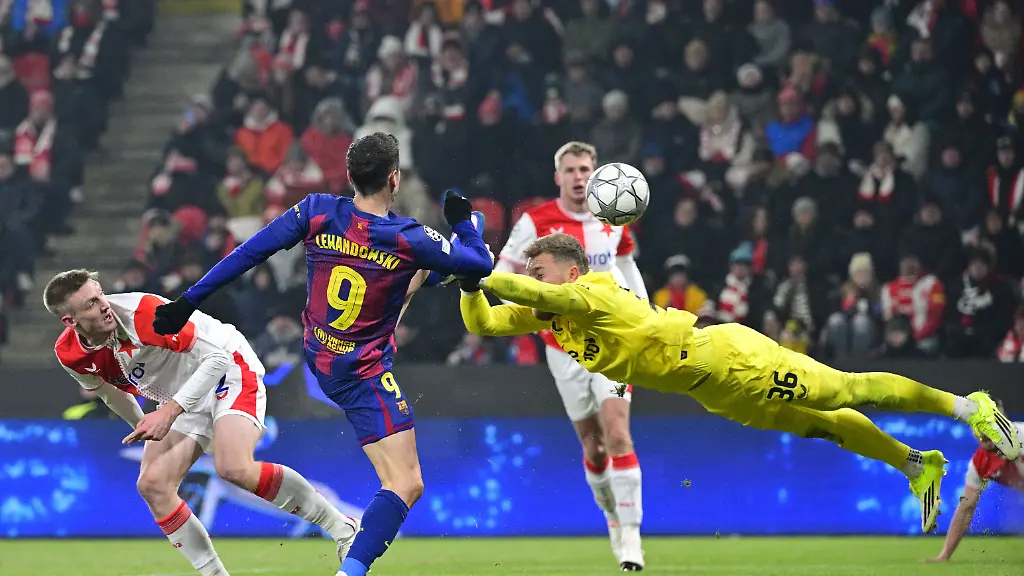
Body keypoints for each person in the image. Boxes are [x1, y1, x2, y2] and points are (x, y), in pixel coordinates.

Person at [458, 233, 1022, 535]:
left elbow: (539, 296)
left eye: (541, 268)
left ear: (570, 270)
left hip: (725, 355)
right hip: (709, 389)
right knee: (817, 427)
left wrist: (485, 267)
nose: (533, 278)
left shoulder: (593, 292)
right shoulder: (551, 311)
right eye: (529, 271)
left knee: (843, 391)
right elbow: (484, 321)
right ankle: (915, 465)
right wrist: (468, 282)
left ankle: (966, 404)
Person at [148, 132, 493, 576]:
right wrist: (467, 225)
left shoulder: (316, 210)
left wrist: (187, 302)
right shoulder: (411, 236)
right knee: (405, 483)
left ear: (349, 176)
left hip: (320, 351)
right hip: (363, 368)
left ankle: (441, 274)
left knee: (411, 270)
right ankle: (350, 570)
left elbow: (249, 253)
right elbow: (482, 265)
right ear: (395, 178)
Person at [45, 270, 356, 576]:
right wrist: (144, 426)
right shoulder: (69, 353)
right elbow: (110, 394)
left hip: (227, 367)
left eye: (99, 295)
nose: (102, 305)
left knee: (234, 469)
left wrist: (167, 414)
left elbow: (217, 359)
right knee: (153, 484)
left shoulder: (144, 313)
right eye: (89, 305)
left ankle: (342, 528)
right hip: (181, 394)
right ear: (70, 321)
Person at [494, 141, 646, 571]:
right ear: (557, 177)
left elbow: (627, 267)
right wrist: (524, 316)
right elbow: (504, 275)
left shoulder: (613, 215)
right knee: (594, 447)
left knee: (617, 432)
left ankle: (632, 540)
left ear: (596, 174)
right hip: (563, 349)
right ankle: (613, 518)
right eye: (571, 170)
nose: (580, 177)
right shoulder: (536, 222)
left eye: (586, 169)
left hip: (613, 341)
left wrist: (645, 315)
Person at [927, 401, 1023, 563]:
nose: (982, 431)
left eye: (988, 422)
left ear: (1003, 421)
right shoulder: (980, 463)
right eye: (975, 424)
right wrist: (944, 556)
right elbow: (966, 507)